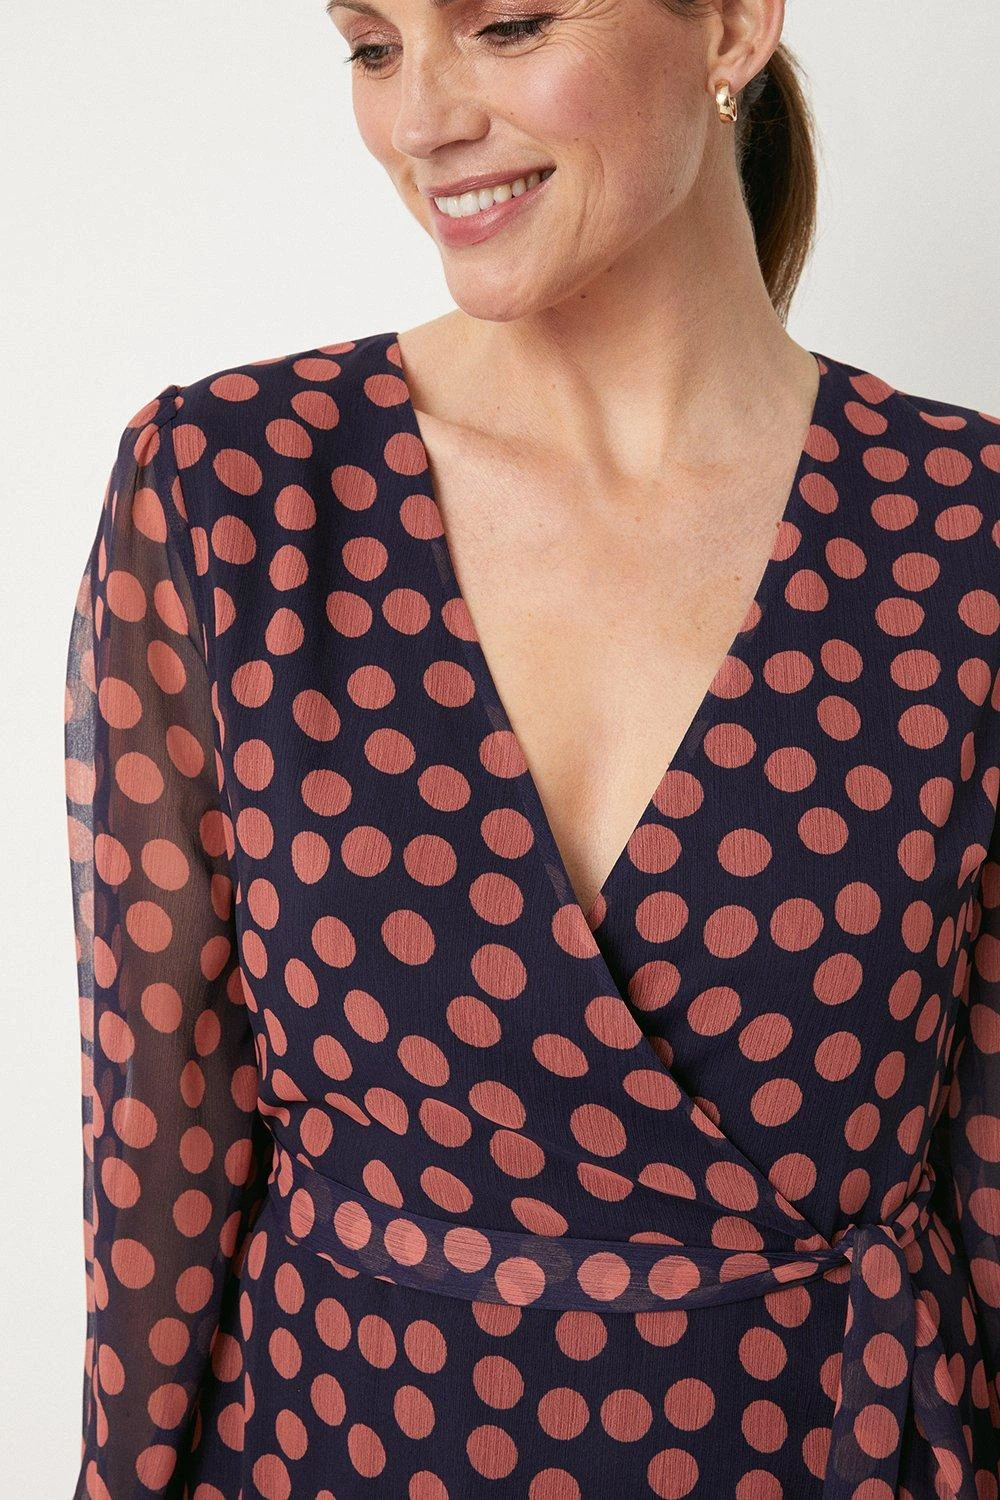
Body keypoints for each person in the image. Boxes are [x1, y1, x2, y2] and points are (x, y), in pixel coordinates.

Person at [62, 0, 1000, 1494]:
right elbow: (156, 1134)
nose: (421, 119)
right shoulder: (233, 493)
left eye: (503, 25)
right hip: (337, 1452)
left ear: (734, 25)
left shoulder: (966, 531)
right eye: (373, 46)